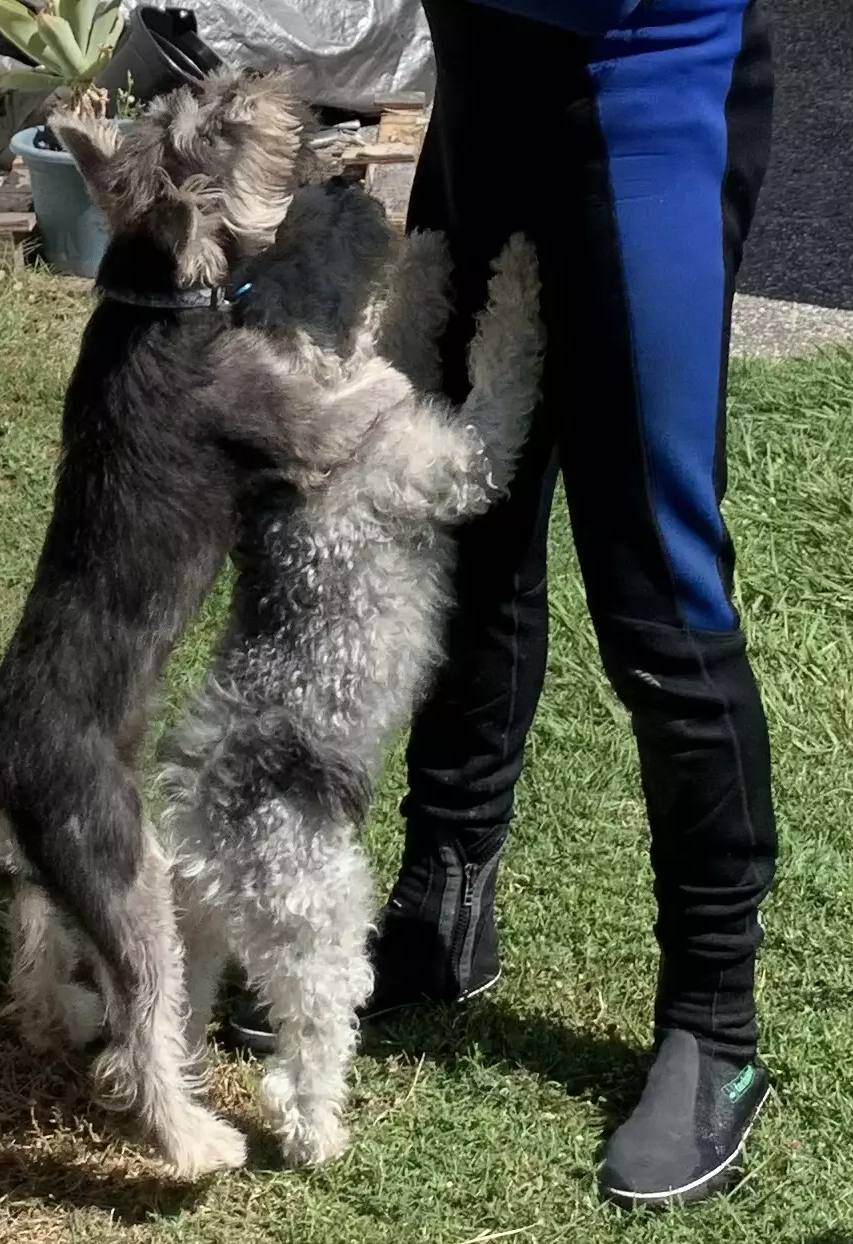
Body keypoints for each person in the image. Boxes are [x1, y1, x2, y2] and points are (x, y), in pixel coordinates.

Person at [230, 0, 778, 1209]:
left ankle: (714, 1021)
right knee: (462, 527)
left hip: (644, 82)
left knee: (658, 584)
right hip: (484, 86)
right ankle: (445, 900)